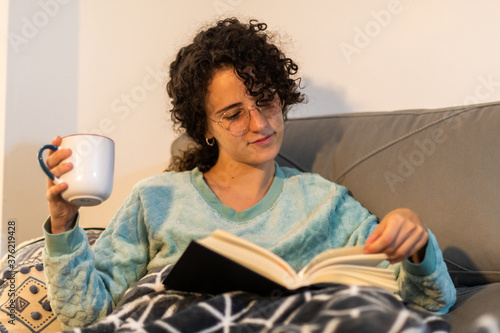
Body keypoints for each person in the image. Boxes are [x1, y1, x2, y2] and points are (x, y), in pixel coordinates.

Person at [43, 18, 456, 329]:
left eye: (266, 101)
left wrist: (417, 248)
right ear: (203, 127)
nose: (260, 124)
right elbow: (85, 313)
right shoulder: (155, 199)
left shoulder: (326, 204)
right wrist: (63, 225)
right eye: (233, 114)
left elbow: (427, 306)